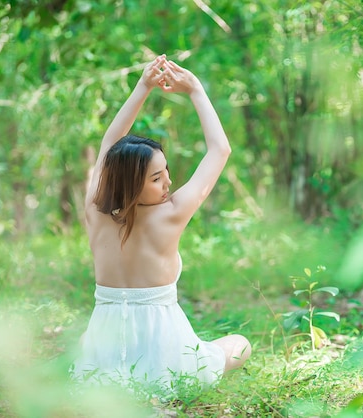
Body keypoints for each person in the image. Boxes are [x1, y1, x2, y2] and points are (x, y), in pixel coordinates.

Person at [71, 54, 251, 396]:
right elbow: (220, 149)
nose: (168, 182)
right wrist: (196, 89)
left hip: (107, 345)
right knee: (240, 344)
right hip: (166, 355)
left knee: (86, 340)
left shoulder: (95, 211)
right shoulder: (171, 214)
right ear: (130, 182)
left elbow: (108, 145)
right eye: (156, 178)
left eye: (166, 170)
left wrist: (142, 87)